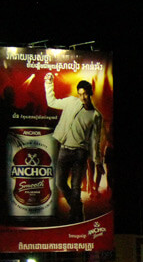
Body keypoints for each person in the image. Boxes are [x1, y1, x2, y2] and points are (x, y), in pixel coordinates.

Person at [45, 73, 104, 222]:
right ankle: (77, 207)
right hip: (64, 149)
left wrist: (98, 161)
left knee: (76, 187)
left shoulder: (96, 115)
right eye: (80, 94)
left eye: (84, 94)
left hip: (80, 152)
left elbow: (95, 141)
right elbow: (51, 102)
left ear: (90, 93)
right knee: (59, 182)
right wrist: (49, 83)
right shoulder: (71, 102)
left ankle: (75, 217)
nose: (82, 97)